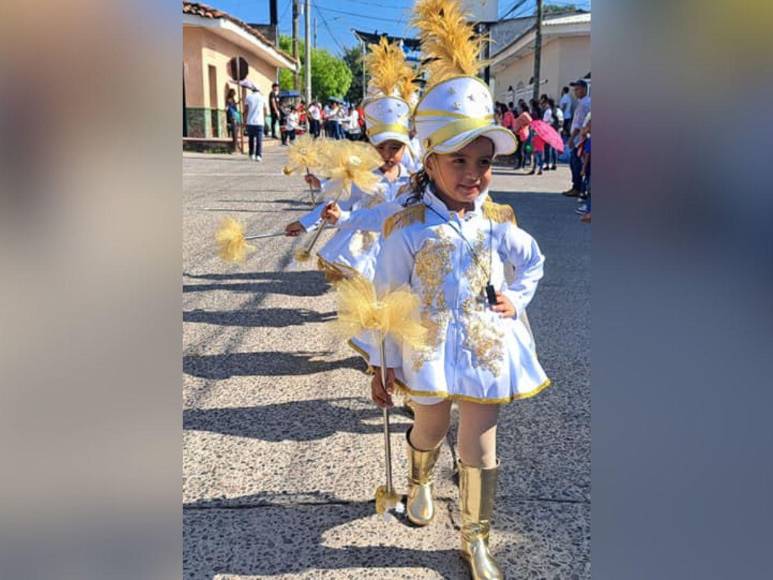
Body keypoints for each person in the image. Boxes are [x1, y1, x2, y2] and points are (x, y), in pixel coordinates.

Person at [367, 2, 549, 578]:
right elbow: (386, 299)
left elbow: (532, 264)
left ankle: (476, 537)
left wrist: (514, 300)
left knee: (481, 441)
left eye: (484, 161)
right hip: (424, 346)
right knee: (431, 425)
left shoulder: (500, 219)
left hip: (486, 346)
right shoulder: (406, 227)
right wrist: (381, 362)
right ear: (431, 159)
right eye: (459, 160)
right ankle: (420, 478)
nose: (474, 173)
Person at [564, 79, 591, 197]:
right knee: (578, 164)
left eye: (578, 89)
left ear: (585, 89)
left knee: (576, 164)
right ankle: (579, 187)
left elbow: (579, 125)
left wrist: (571, 139)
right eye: (575, 90)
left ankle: (577, 187)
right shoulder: (583, 103)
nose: (576, 92)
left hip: (579, 140)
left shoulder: (584, 104)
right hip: (580, 138)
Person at [244, 85, 268, 161]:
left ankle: (251, 154)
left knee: (251, 139)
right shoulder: (263, 98)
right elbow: (265, 111)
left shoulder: (248, 97)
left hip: (250, 121)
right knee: (259, 139)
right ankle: (258, 155)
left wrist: (244, 120)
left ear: (252, 90)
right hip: (260, 122)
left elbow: (246, 110)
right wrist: (264, 118)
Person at [512, 103, 532, 170]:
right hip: (519, 134)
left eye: (519, 108)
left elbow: (531, 122)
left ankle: (521, 165)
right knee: (520, 149)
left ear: (522, 108)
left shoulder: (524, 114)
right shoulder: (522, 114)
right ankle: (520, 164)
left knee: (521, 150)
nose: (518, 109)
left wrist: (524, 126)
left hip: (522, 135)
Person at [225, 88, 242, 153]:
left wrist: (238, 102)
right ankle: (234, 145)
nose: (234, 94)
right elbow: (230, 105)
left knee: (237, 128)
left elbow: (233, 105)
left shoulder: (232, 99)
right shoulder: (229, 99)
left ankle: (236, 142)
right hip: (232, 114)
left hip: (235, 113)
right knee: (234, 129)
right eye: (234, 93)